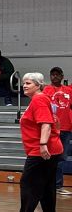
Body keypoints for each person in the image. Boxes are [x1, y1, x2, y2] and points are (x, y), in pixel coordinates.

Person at [18, 72, 64, 212]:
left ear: (38, 86)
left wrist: (43, 145)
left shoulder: (39, 99)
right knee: (46, 188)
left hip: (41, 152)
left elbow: (46, 123)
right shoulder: (41, 99)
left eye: (28, 83)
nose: (24, 86)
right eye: (24, 83)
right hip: (50, 150)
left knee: (29, 187)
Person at [43, 67, 72, 195]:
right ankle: (45, 184)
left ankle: (57, 186)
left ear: (62, 76)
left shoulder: (69, 90)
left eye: (57, 74)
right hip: (52, 128)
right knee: (49, 157)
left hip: (66, 128)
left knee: (61, 158)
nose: (54, 77)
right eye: (52, 74)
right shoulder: (46, 90)